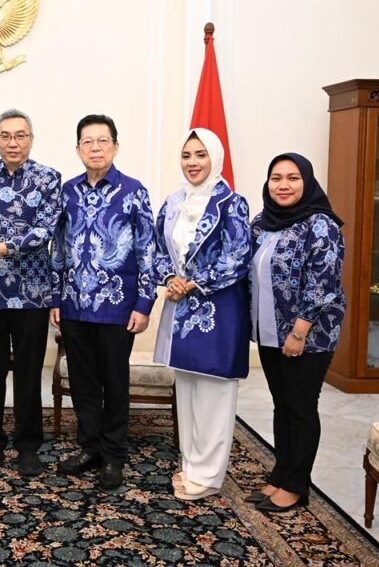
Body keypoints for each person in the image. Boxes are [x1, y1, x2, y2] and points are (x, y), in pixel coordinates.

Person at [50, 114, 157, 490]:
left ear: (115, 146)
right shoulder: (67, 192)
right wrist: (56, 296)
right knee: (82, 382)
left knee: (114, 382)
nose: (95, 148)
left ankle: (114, 456)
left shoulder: (134, 191)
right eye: (88, 142)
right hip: (74, 305)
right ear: (78, 148)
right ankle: (90, 448)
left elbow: (148, 251)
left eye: (102, 141)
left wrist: (144, 302)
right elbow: (58, 248)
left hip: (117, 307)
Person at [152, 128, 252, 501]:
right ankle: (191, 464)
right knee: (189, 391)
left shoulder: (232, 203)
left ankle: (208, 476)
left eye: (200, 155)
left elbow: (237, 257)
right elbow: (155, 248)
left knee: (214, 394)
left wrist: (193, 283)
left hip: (218, 310)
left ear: (215, 158)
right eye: (187, 155)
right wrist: (170, 278)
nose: (192, 163)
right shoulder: (173, 202)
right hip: (180, 308)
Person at [248, 153, 346, 514]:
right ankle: (281, 473)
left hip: (308, 336)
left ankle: (295, 485)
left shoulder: (321, 225)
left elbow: (324, 285)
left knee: (301, 407)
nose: (283, 185)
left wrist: (300, 332)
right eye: (276, 178)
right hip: (270, 333)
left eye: (293, 178)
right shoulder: (262, 223)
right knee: (282, 405)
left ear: (307, 182)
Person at [0, 109, 62, 477]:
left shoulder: (48, 178)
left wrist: (5, 247)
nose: (13, 142)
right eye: (5, 136)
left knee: (28, 373)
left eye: (20, 135)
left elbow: (45, 231)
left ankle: (28, 446)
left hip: (31, 295)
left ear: (31, 139)